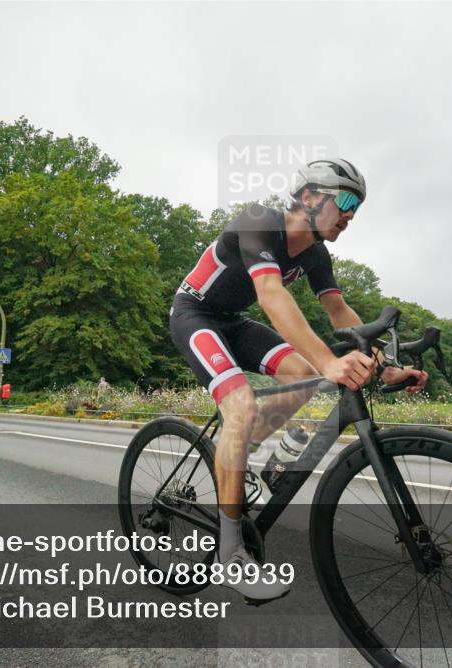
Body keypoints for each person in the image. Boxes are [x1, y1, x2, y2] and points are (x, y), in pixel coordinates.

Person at [170, 158, 428, 601]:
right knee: (243, 404)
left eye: (357, 208)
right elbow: (271, 295)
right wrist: (330, 361)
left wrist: (383, 364)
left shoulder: (315, 253)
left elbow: (339, 313)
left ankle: (243, 451)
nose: (350, 215)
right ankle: (230, 555)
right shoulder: (259, 221)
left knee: (305, 377)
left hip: (233, 322)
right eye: (345, 202)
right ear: (309, 196)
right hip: (194, 314)